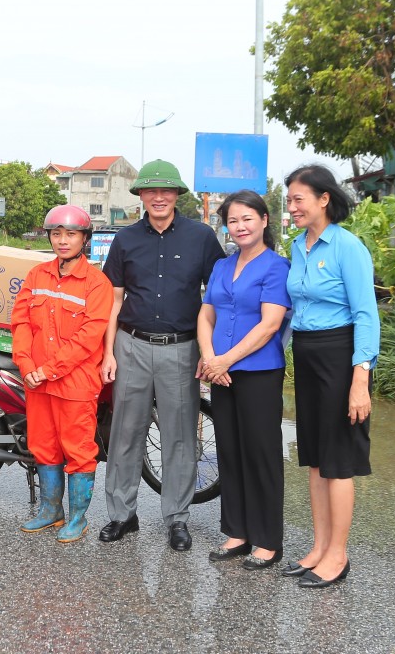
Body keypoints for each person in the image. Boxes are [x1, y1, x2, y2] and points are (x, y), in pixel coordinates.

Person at [99, 160, 225, 551]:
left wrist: (209, 351)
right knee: (125, 434)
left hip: (181, 349)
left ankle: (177, 518)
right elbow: (113, 300)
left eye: (166, 190)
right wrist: (109, 353)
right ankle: (122, 515)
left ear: (176, 195)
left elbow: (218, 296)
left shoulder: (201, 238)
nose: (158, 197)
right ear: (139, 195)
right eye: (150, 190)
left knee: (180, 436)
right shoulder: (125, 241)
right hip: (131, 345)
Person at [281, 164, 379, 588]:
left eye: (298, 199)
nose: (292, 207)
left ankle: (338, 556)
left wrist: (361, 380)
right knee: (317, 458)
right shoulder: (297, 245)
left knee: (338, 461)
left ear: (324, 199)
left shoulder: (347, 246)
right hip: (307, 355)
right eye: (288, 200)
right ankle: (320, 547)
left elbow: (366, 315)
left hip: (341, 358)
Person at [197, 190, 292, 570]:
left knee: (261, 454)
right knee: (230, 452)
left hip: (258, 373)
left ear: (264, 220)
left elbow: (270, 324)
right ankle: (236, 531)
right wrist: (209, 357)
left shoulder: (276, 267)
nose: (240, 226)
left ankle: (268, 539)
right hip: (220, 374)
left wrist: (224, 361)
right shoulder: (222, 265)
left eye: (247, 218)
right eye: (233, 220)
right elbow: (206, 315)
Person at [11, 205, 114, 543]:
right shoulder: (36, 276)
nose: (62, 240)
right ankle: (50, 510)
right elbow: (21, 322)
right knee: (43, 446)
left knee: (79, 449)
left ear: (84, 239)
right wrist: (27, 366)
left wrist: (48, 370)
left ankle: (78, 519)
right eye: (56, 234)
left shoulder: (97, 283)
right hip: (37, 382)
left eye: (70, 234)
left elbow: (89, 337)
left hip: (75, 384)